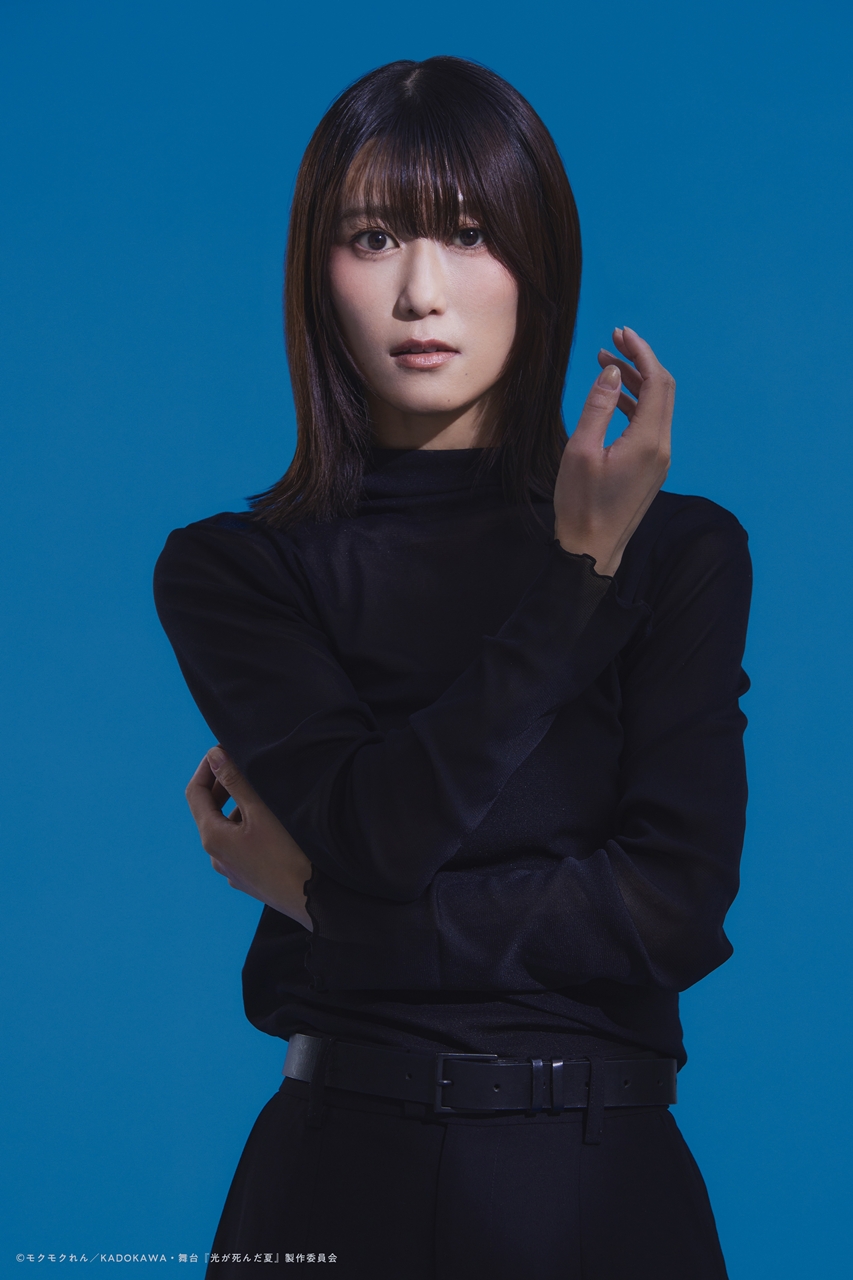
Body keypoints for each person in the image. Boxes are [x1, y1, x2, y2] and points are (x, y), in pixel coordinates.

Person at [153, 56, 751, 1280]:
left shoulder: (682, 550)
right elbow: (385, 834)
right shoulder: (237, 568)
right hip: (335, 1177)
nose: (421, 291)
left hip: (601, 1183)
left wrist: (325, 909)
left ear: (540, 260)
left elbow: (668, 907)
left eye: (470, 236)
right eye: (373, 238)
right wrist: (573, 580)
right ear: (316, 270)